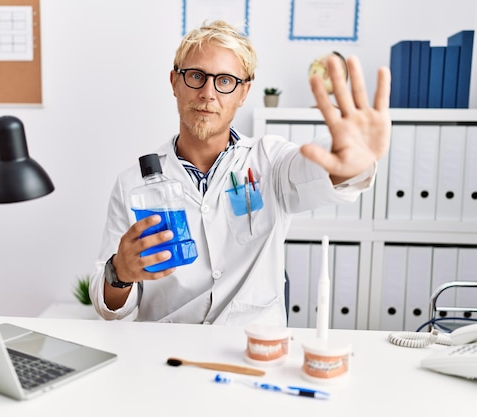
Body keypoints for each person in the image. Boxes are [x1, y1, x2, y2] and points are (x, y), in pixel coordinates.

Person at [89, 20, 391, 326]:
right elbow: (109, 307)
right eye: (196, 76)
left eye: (225, 81)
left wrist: (349, 158)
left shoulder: (270, 161)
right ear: (174, 82)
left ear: (244, 91)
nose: (208, 93)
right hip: (166, 350)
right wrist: (119, 273)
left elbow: (314, 171)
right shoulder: (133, 184)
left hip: (252, 349)